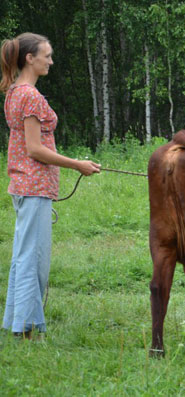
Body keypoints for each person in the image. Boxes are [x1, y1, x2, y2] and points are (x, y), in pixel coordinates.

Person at [1, 33, 101, 339]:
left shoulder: (14, 92)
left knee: (23, 256)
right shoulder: (30, 96)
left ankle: (18, 324)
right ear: (30, 58)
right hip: (33, 187)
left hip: (25, 185)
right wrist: (77, 165)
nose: (51, 61)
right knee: (34, 259)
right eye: (47, 55)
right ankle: (27, 327)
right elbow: (35, 148)